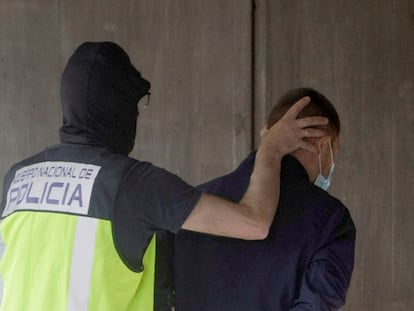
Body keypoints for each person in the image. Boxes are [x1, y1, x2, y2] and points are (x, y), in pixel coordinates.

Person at [0, 43, 327, 311]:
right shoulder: (132, 184)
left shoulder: (18, 178)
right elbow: (254, 223)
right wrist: (271, 149)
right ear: (118, 107)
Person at [174, 88, 356, 310]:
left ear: (267, 135)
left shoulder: (195, 206)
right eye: (334, 151)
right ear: (323, 145)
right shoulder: (331, 219)